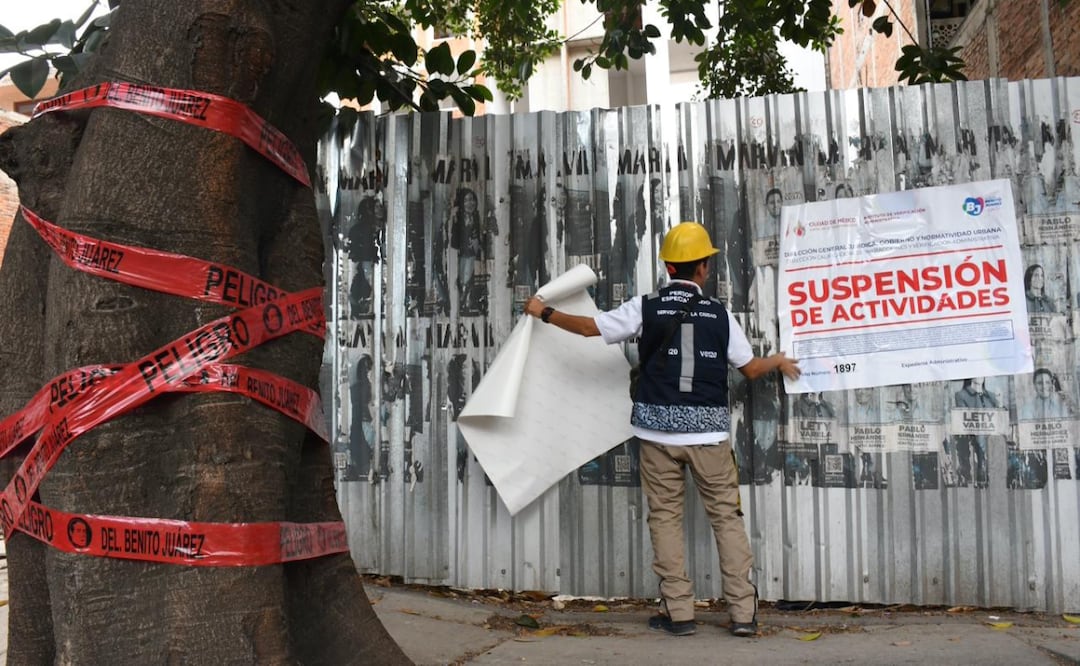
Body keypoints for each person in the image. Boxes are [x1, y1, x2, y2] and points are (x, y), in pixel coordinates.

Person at [523, 221, 800, 638]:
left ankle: (680, 614)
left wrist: (541, 311)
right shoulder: (721, 315)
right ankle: (743, 614)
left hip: (656, 435)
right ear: (703, 268)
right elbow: (750, 369)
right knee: (726, 518)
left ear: (669, 267)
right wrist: (778, 360)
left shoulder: (645, 307)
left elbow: (588, 328)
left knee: (666, 519)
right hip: (708, 436)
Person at [952, 377, 997, 487]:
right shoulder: (961, 395)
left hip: (992, 443)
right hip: (973, 443)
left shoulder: (991, 396)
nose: (980, 375)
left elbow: (1000, 421)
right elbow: (964, 422)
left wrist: (1000, 405)